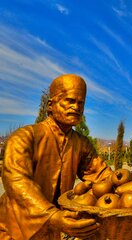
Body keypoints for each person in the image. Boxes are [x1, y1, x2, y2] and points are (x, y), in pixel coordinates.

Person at [0, 74, 113, 239]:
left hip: (52, 231)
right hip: (15, 229)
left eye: (80, 103)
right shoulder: (25, 137)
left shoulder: (81, 144)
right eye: (69, 100)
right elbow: (17, 182)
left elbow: (101, 175)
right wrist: (52, 216)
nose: (76, 107)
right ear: (50, 105)